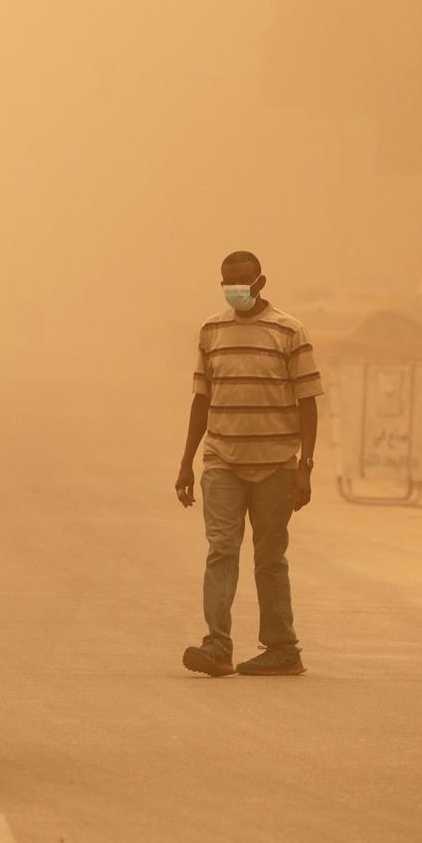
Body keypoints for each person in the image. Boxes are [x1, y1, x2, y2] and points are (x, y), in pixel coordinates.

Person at [175, 251, 323, 677]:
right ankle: (217, 645)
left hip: (276, 462)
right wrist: (186, 463)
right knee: (221, 549)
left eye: (242, 280)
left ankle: (282, 648)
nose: (234, 288)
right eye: (227, 281)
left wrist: (305, 467)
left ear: (260, 282)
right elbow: (201, 400)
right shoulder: (212, 330)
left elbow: (307, 401)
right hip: (222, 459)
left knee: (269, 557)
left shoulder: (289, 331)